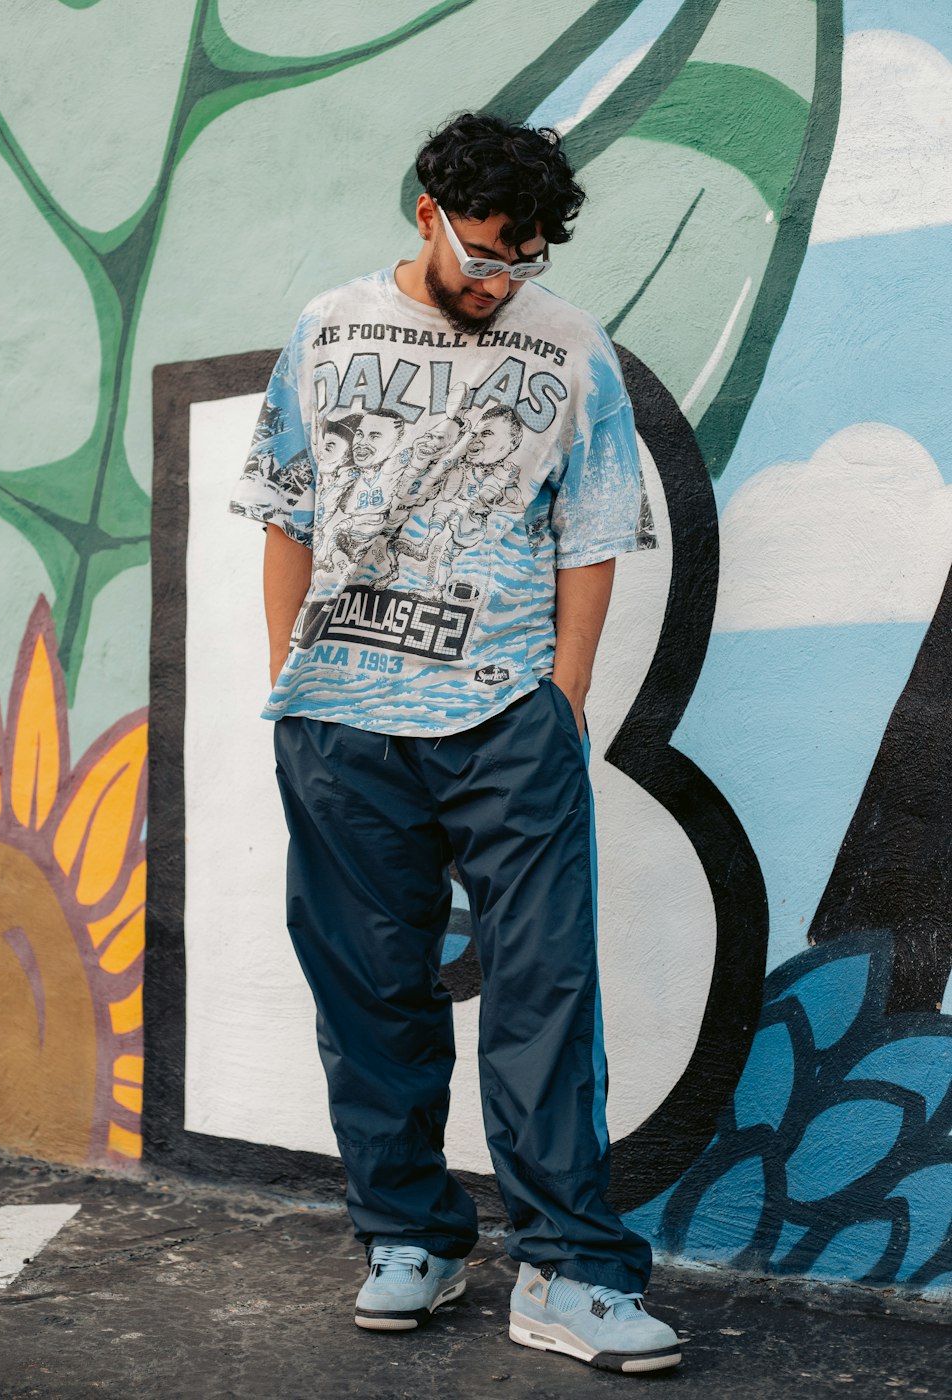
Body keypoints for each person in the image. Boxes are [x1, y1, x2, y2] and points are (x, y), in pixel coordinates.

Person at [229, 112, 681, 1375]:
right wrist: (292, 675)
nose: (501, 281)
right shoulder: (328, 329)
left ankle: (571, 1267)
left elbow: (591, 528)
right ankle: (410, 1234)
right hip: (342, 719)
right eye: (486, 252)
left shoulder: (570, 348)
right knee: (368, 987)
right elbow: (286, 509)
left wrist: (567, 690)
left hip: (502, 717)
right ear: (428, 211)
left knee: (542, 992)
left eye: (525, 259)